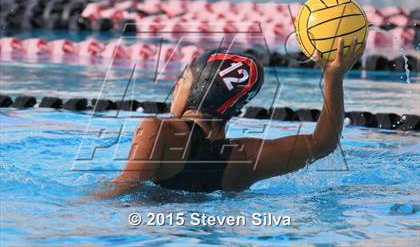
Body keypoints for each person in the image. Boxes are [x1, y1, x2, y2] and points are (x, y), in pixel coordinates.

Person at [95, 37, 363, 197]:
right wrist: (333, 78)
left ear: (199, 88)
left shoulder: (158, 129)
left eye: (183, 79)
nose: (175, 85)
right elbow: (323, 143)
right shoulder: (246, 158)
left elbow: (127, 185)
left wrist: (80, 207)